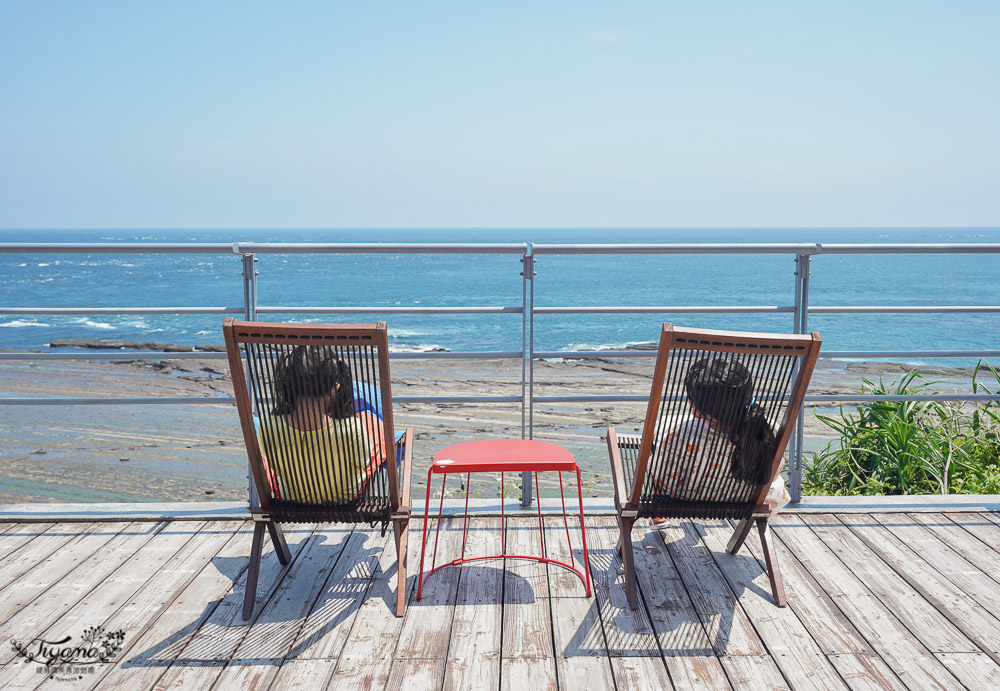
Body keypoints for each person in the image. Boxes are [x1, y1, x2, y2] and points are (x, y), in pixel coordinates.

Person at [654, 357, 789, 513]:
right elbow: (774, 470)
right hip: (747, 502)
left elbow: (661, 477)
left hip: (689, 500)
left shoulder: (678, 433)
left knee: (658, 438)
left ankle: (658, 515)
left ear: (696, 406)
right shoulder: (769, 430)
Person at [256, 346, 386, 504]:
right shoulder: (352, 427)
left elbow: (269, 460)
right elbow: (363, 462)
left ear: (288, 381)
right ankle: (368, 502)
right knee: (377, 444)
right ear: (336, 386)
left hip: (292, 500)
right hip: (344, 499)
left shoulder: (266, 426)